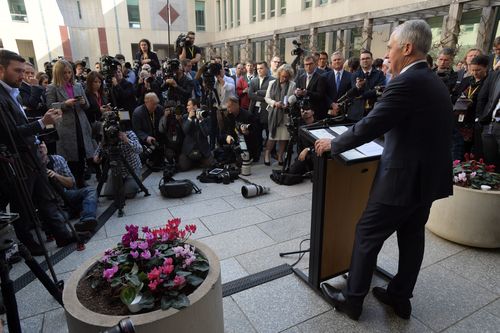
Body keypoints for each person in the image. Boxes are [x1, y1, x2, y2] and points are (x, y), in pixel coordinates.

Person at [315, 20, 453, 321]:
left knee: (367, 233)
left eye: (390, 48)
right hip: (426, 180)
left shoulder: (406, 82)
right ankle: (400, 298)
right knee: (412, 235)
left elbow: (371, 124)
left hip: (401, 179)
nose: (387, 55)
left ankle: (352, 300)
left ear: (407, 48)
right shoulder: (432, 79)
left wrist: (334, 144)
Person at [0, 50, 77, 255]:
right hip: (17, 161)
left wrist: (38, 138)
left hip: (32, 154)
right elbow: (9, 133)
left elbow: (21, 125)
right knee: (24, 205)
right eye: (17, 71)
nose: (22, 76)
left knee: (46, 197)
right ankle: (30, 246)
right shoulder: (1, 97)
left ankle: (62, 234)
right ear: (1, 70)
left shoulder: (11, 93)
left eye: (23, 71)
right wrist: (43, 123)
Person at [46, 59, 94, 188]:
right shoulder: (52, 87)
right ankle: (73, 182)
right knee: (70, 156)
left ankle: (81, 179)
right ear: (58, 73)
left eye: (69, 72)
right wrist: (65, 104)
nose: (67, 75)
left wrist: (83, 102)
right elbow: (50, 107)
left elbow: (87, 106)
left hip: (81, 123)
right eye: (64, 73)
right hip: (65, 127)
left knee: (82, 152)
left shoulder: (77, 85)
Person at [39, 141, 97, 232]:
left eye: (41, 144)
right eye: (37, 146)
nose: (41, 147)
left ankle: (88, 218)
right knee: (54, 221)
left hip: (66, 194)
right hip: (55, 204)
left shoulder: (58, 159)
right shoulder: (33, 169)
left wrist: (56, 175)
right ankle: (78, 211)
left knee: (90, 191)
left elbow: (71, 183)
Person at [94, 111, 143, 197]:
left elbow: (139, 149)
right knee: (109, 194)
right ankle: (123, 184)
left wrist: (127, 140)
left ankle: (136, 180)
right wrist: (97, 156)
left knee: (129, 193)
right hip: (116, 170)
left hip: (132, 169)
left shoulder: (128, 133)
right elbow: (99, 149)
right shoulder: (105, 136)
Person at [264, 64, 296, 166]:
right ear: (279, 74)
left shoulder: (292, 84)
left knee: (284, 137)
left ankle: (280, 155)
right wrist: (275, 103)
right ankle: (267, 154)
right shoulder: (272, 83)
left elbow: (293, 97)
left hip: (285, 114)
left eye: (286, 76)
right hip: (274, 113)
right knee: (272, 137)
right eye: (282, 76)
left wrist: (289, 102)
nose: (284, 78)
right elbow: (267, 98)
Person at [178, 98, 214, 171]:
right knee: (183, 167)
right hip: (189, 149)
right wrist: (190, 118)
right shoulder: (185, 117)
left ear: (195, 106)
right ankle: (194, 162)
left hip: (202, 149)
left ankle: (197, 161)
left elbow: (206, 133)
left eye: (188, 105)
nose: (186, 107)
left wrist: (201, 120)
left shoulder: (205, 116)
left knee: (210, 164)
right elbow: (185, 131)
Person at [349, 49, 386, 121]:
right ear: (360, 61)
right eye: (362, 59)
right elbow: (355, 92)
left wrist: (363, 95)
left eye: (367, 58)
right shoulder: (354, 75)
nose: (365, 60)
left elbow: (379, 90)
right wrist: (360, 89)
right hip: (357, 113)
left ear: (372, 60)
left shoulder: (379, 74)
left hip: (374, 111)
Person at [223, 96, 261, 162]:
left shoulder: (248, 116)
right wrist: (228, 136)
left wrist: (247, 133)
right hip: (236, 140)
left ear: (236, 105)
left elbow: (256, 134)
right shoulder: (229, 115)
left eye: (229, 107)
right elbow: (228, 129)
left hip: (248, 143)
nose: (228, 109)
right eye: (227, 107)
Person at [475, 69, 500, 171]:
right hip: (490, 124)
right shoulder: (495, 75)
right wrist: (481, 118)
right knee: (491, 165)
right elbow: (482, 97)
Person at [248, 61, 273, 155]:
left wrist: (258, 92)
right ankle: (258, 151)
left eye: (261, 68)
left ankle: (270, 151)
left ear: (266, 68)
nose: (259, 70)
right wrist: (264, 97)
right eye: (258, 69)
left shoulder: (272, 80)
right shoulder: (253, 80)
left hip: (266, 110)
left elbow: (271, 94)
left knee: (268, 131)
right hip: (254, 109)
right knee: (256, 131)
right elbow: (250, 95)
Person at [294, 55, 328, 120]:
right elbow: (298, 94)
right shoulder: (301, 77)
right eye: (306, 64)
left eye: (310, 64)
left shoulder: (320, 77)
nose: (308, 66)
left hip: (315, 112)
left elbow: (320, 95)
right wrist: (297, 93)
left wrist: (307, 93)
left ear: (315, 64)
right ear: (304, 66)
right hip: (303, 111)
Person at [324, 51, 353, 117]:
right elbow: (323, 93)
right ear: (331, 63)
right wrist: (332, 104)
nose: (337, 61)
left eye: (339, 59)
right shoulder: (325, 76)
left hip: (345, 112)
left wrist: (341, 106)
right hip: (328, 112)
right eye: (335, 60)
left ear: (343, 61)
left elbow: (351, 93)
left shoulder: (351, 76)